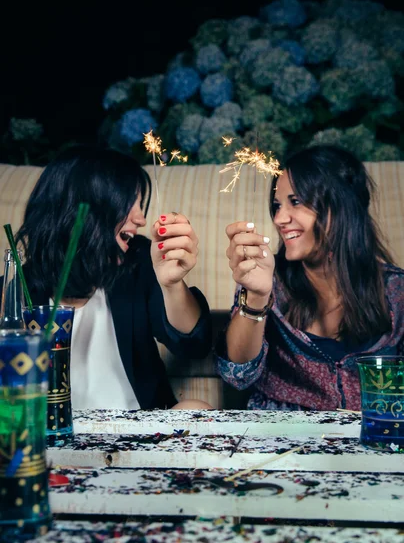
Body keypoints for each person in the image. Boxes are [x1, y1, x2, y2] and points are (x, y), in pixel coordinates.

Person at [4, 146, 212, 410]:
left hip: (141, 433)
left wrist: (172, 285)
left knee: (194, 408)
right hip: (56, 437)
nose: (140, 218)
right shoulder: (19, 288)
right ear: (86, 208)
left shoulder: (139, 262)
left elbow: (194, 346)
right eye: (129, 204)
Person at [217, 145, 404, 411]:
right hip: (279, 443)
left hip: (370, 442)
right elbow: (237, 374)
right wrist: (257, 297)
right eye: (276, 206)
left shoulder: (396, 291)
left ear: (342, 207)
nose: (280, 219)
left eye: (296, 202)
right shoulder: (266, 278)